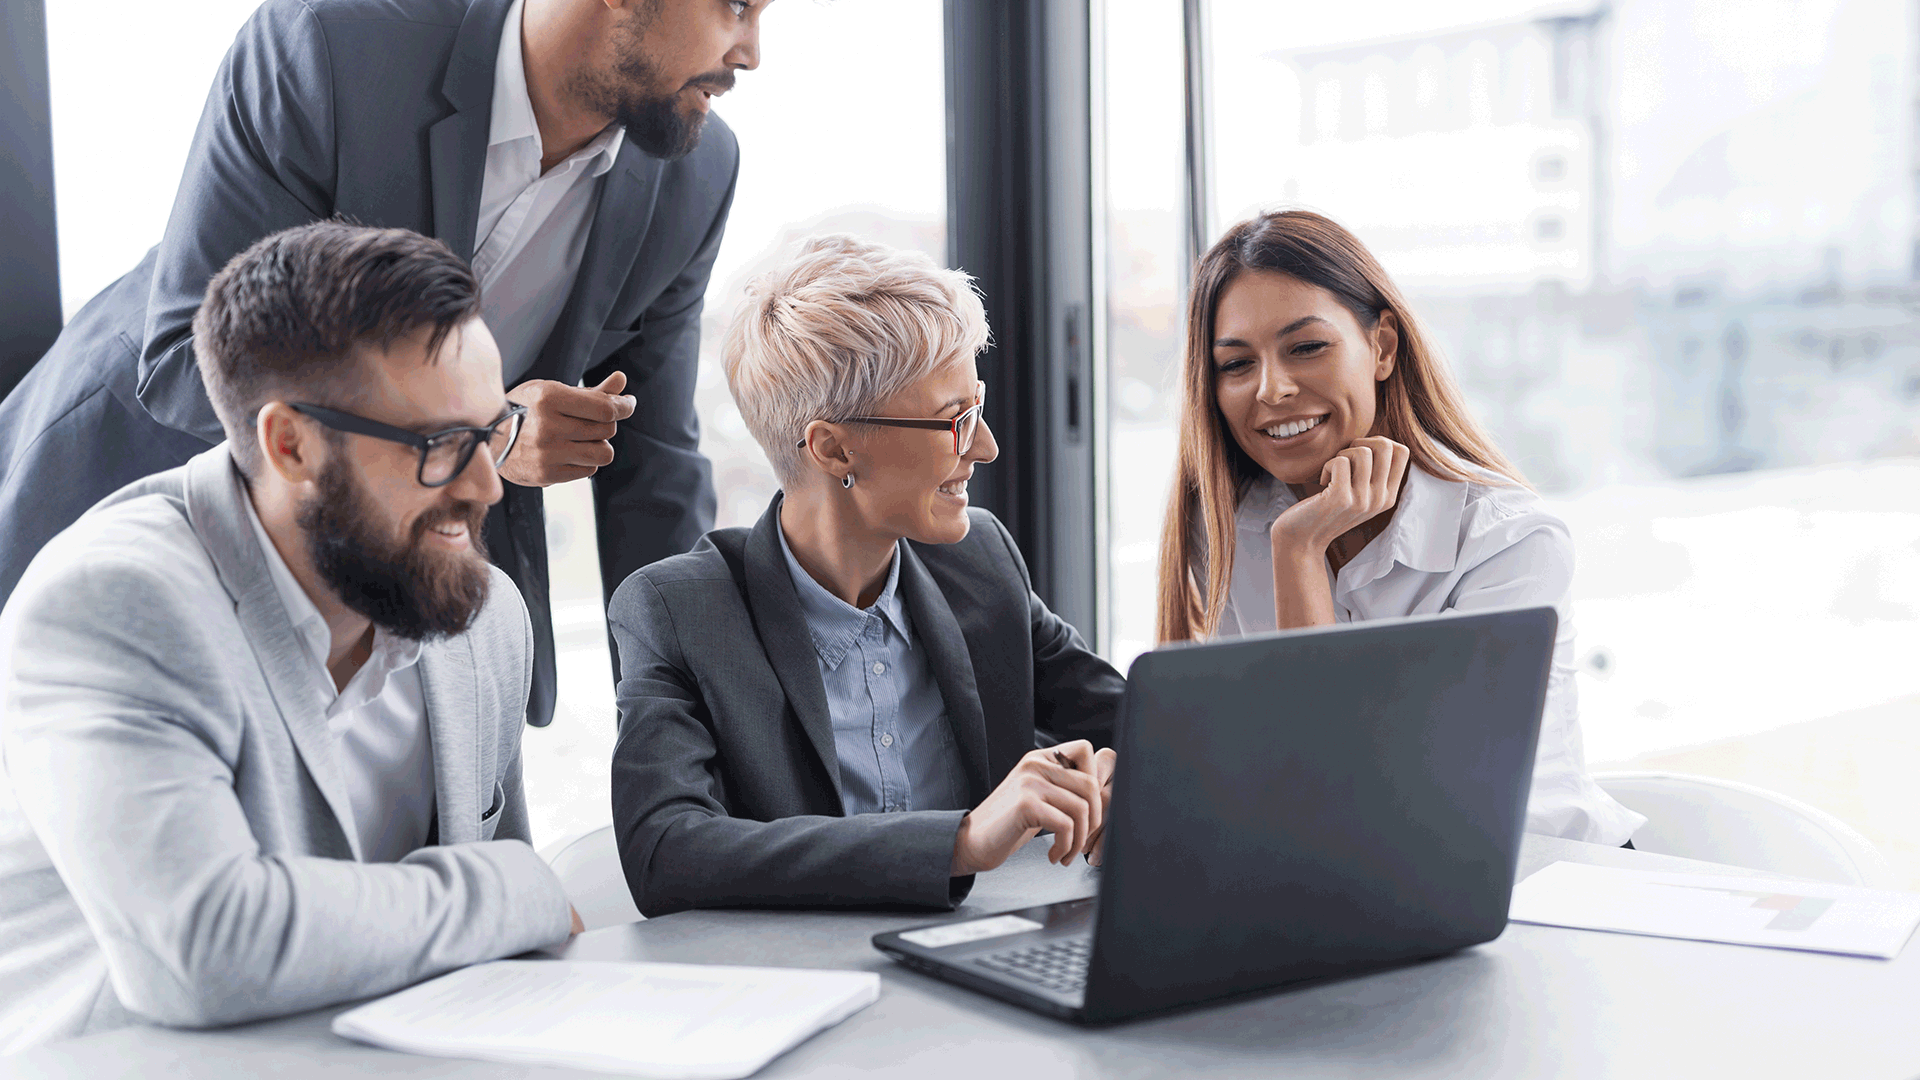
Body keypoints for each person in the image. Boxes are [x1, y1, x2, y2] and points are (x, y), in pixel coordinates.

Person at [0, 0, 772, 728]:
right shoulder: (328, 45)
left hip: (385, 589)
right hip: (134, 497)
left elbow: (654, 467)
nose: (753, 54)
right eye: (736, 6)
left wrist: (694, 738)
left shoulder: (698, 173)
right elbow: (185, 360)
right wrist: (487, 434)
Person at [0, 223, 581, 1052]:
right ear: (291, 444)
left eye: (494, 433)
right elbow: (208, 950)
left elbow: (515, 954)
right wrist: (509, 886)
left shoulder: (485, 617)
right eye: (441, 446)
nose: (489, 486)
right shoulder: (110, 603)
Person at [609, 236, 1124, 916]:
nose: (988, 447)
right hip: (799, 991)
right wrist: (960, 841)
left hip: (983, 971)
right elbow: (665, 851)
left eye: (980, 406)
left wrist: (1127, 767)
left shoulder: (981, 564)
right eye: (956, 421)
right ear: (832, 447)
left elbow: (1136, 719)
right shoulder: (679, 610)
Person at [1156, 210, 1643, 846]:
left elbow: (1343, 795)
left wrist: (1301, 552)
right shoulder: (1227, 529)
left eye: (1307, 347)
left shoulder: (1510, 544)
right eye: (1237, 364)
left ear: (1382, 346)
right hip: (1359, 887)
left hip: (1546, 880)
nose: (1271, 390)